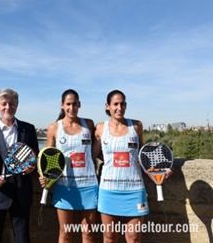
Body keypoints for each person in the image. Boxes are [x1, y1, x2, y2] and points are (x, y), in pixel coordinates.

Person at [95, 89, 171, 243]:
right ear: (107, 106)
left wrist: (160, 171)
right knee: (109, 238)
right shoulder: (100, 128)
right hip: (108, 190)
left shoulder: (136, 126)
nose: (119, 107)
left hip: (134, 190)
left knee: (134, 238)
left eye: (122, 104)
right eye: (115, 104)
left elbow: (143, 156)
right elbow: (92, 155)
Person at [0, 88, 39, 243]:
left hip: (21, 192)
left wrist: (32, 167)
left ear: (16, 105)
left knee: (22, 239)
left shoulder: (29, 129)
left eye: (11, 103)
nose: (8, 107)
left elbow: (35, 156)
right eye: (3, 104)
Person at [39, 89, 99, 243]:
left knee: (88, 234)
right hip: (64, 186)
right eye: (68, 104)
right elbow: (47, 158)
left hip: (89, 186)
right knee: (65, 234)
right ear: (62, 105)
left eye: (74, 104)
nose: (71, 108)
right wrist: (44, 177)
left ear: (79, 105)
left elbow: (99, 150)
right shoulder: (54, 128)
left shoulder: (89, 124)